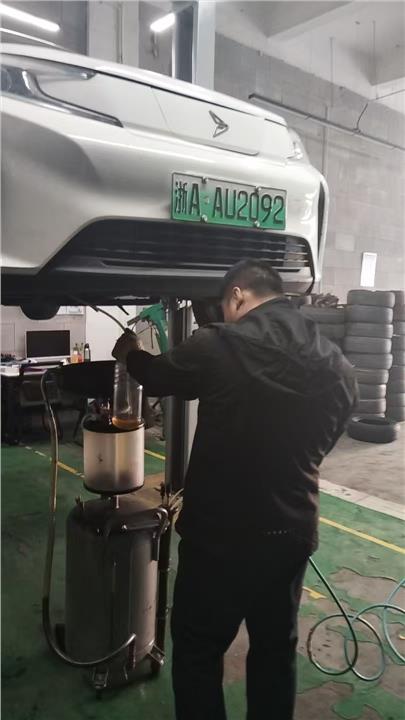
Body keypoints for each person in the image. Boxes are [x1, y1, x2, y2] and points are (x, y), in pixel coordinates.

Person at [112, 260, 357, 720]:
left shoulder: (219, 344)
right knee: (275, 652)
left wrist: (130, 353)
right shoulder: (336, 364)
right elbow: (325, 439)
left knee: (199, 651)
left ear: (238, 295)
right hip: (290, 534)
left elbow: (160, 376)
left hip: (219, 540)